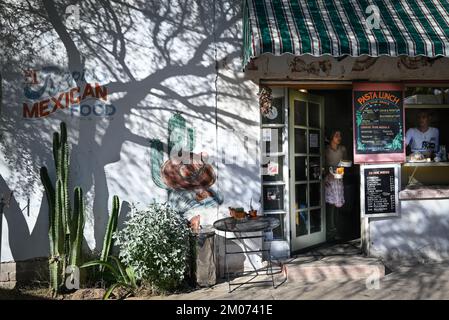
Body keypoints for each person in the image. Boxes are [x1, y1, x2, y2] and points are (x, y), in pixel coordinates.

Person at [325, 130, 347, 241]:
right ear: (331, 137)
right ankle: (329, 230)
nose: (339, 137)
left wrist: (341, 169)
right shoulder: (326, 150)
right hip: (328, 180)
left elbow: (346, 162)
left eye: (340, 135)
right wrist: (327, 173)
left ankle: (337, 230)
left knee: (338, 206)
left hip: (338, 178)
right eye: (336, 135)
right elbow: (322, 163)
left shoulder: (342, 149)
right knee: (329, 206)